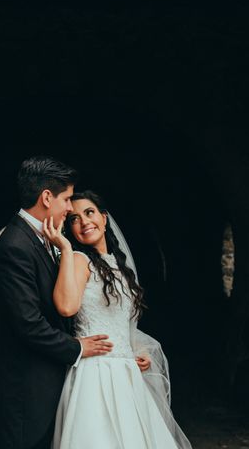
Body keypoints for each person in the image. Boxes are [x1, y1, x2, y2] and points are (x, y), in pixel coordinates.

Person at [43, 190, 193, 449]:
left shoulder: (118, 265)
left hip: (128, 374)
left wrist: (137, 349)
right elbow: (67, 307)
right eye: (74, 219)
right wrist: (66, 249)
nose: (83, 222)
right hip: (95, 374)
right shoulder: (78, 260)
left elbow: (123, 323)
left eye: (89, 213)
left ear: (103, 218)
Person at [0, 157, 116, 449]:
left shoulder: (41, 238)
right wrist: (78, 347)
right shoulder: (15, 246)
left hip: (48, 387)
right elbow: (28, 324)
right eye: (67, 199)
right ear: (46, 197)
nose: (70, 208)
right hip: (25, 394)